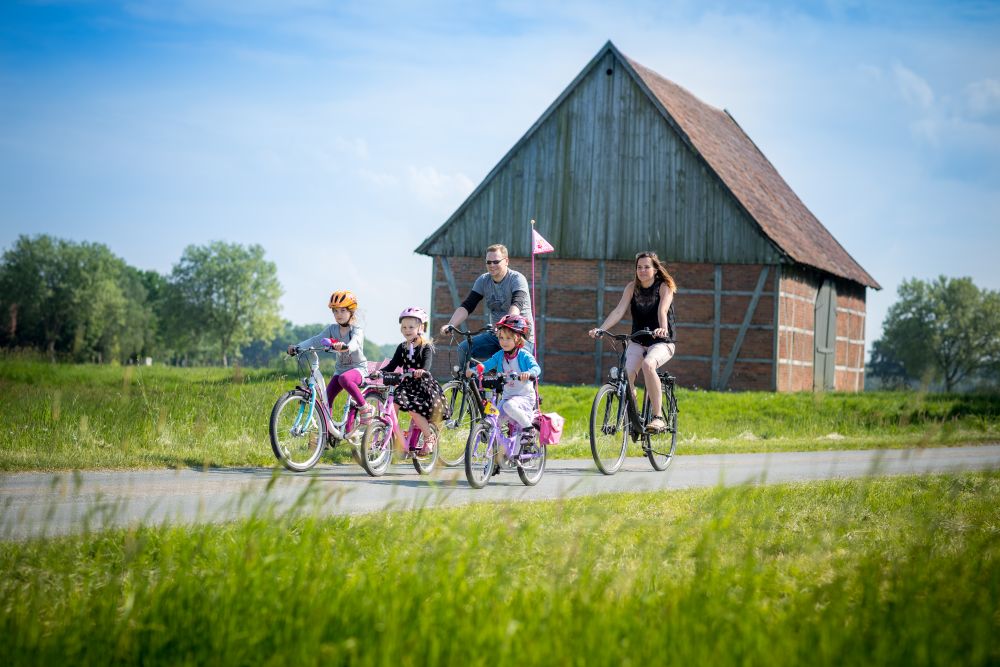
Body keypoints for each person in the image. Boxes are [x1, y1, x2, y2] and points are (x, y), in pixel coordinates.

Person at [588, 251, 677, 431]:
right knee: (625, 376)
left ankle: (658, 417)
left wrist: (662, 329)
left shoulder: (664, 286)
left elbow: (662, 310)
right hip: (637, 340)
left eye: (646, 267)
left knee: (648, 365)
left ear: (655, 269)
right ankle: (635, 417)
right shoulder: (631, 288)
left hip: (662, 342)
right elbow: (618, 311)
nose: (642, 270)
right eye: (639, 267)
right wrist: (602, 329)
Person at [288, 290, 373, 426]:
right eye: (335, 311)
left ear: (351, 311)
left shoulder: (356, 330)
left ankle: (365, 407)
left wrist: (345, 346)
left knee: (344, 379)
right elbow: (315, 340)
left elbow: (355, 343)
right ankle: (327, 432)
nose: (338, 315)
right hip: (340, 370)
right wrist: (297, 347)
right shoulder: (332, 329)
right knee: (326, 400)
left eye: (342, 310)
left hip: (358, 369)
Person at [440, 243, 533, 366]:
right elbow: (468, 305)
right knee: (464, 349)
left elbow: (516, 305)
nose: (492, 265)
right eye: (488, 262)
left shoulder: (517, 279)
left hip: (518, 337)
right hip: (495, 336)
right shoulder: (483, 280)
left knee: (514, 375)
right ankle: (472, 383)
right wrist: (450, 325)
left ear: (506, 261)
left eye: (496, 262)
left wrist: (503, 326)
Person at [467, 314, 541, 452]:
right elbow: (487, 364)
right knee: (493, 421)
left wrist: (529, 373)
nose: (504, 342)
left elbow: (536, 368)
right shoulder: (500, 355)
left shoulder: (524, 355)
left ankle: (529, 429)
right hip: (508, 398)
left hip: (524, 398)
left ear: (517, 338)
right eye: (501, 338)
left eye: (508, 338)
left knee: (508, 406)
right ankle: (498, 456)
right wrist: (474, 370)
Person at [377, 306, 446, 452]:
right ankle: (395, 436)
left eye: (411, 327)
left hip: (422, 386)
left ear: (420, 327)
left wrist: (422, 371)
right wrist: (379, 373)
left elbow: (427, 364)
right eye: (403, 327)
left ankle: (429, 437)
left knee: (414, 410)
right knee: (391, 406)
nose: (407, 330)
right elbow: (392, 364)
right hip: (407, 385)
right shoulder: (402, 347)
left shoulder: (425, 347)